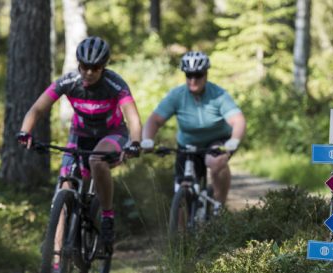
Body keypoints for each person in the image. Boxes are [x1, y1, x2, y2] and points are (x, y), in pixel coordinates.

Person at [17, 36, 142, 256]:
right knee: (64, 188)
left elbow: (132, 118)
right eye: (85, 67)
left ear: (103, 67)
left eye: (95, 68)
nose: (89, 73)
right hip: (80, 134)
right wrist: (25, 132)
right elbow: (37, 109)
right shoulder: (69, 81)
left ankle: (107, 217)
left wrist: (135, 143)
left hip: (112, 134)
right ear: (79, 64)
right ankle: (55, 258)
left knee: (96, 159)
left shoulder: (115, 84)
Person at [141, 51, 246, 211]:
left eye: (198, 75)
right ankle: (182, 234)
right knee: (181, 191)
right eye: (189, 75)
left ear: (206, 74)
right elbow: (155, 120)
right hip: (187, 144)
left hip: (216, 141)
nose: (193, 80)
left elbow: (237, 120)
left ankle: (219, 207)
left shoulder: (218, 95)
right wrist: (147, 139)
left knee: (215, 162)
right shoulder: (177, 95)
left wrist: (234, 141)